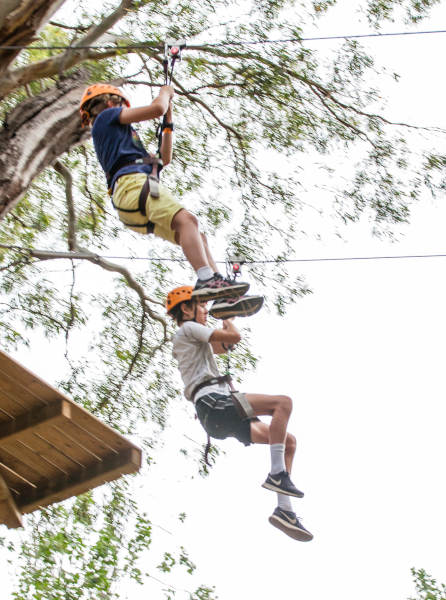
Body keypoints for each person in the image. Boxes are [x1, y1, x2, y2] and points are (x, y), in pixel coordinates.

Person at [80, 83, 262, 319]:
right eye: (118, 103)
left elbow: (165, 157)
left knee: (198, 236)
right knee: (188, 221)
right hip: (133, 187)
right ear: (109, 102)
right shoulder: (106, 117)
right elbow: (156, 108)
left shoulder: (119, 139)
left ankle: (222, 296)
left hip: (133, 199)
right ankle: (207, 279)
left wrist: (169, 115)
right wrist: (166, 92)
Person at [166, 285, 313, 542]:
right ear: (186, 309)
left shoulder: (189, 338)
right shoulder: (187, 329)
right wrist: (227, 316)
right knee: (282, 404)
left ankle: (284, 510)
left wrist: (228, 316)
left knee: (288, 441)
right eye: (201, 306)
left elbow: (223, 345)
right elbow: (233, 338)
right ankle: (278, 475)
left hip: (217, 417)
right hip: (215, 403)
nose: (204, 311)